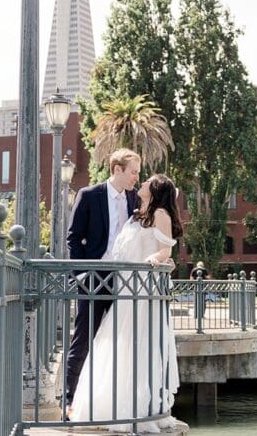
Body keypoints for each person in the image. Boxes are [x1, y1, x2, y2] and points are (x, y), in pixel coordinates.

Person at [70, 174, 182, 432]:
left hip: (143, 290)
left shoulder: (161, 214)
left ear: (154, 189)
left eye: (147, 182)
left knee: (139, 346)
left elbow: (166, 251)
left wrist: (153, 259)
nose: (141, 183)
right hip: (125, 289)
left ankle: (137, 409)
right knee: (116, 345)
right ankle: (107, 406)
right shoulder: (137, 212)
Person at [64, 148, 141, 409]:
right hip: (94, 278)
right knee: (83, 339)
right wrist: (81, 274)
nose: (136, 178)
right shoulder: (89, 195)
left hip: (125, 281)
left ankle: (113, 403)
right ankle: (68, 400)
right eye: (133, 172)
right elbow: (73, 238)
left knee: (122, 342)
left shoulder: (135, 200)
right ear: (117, 169)